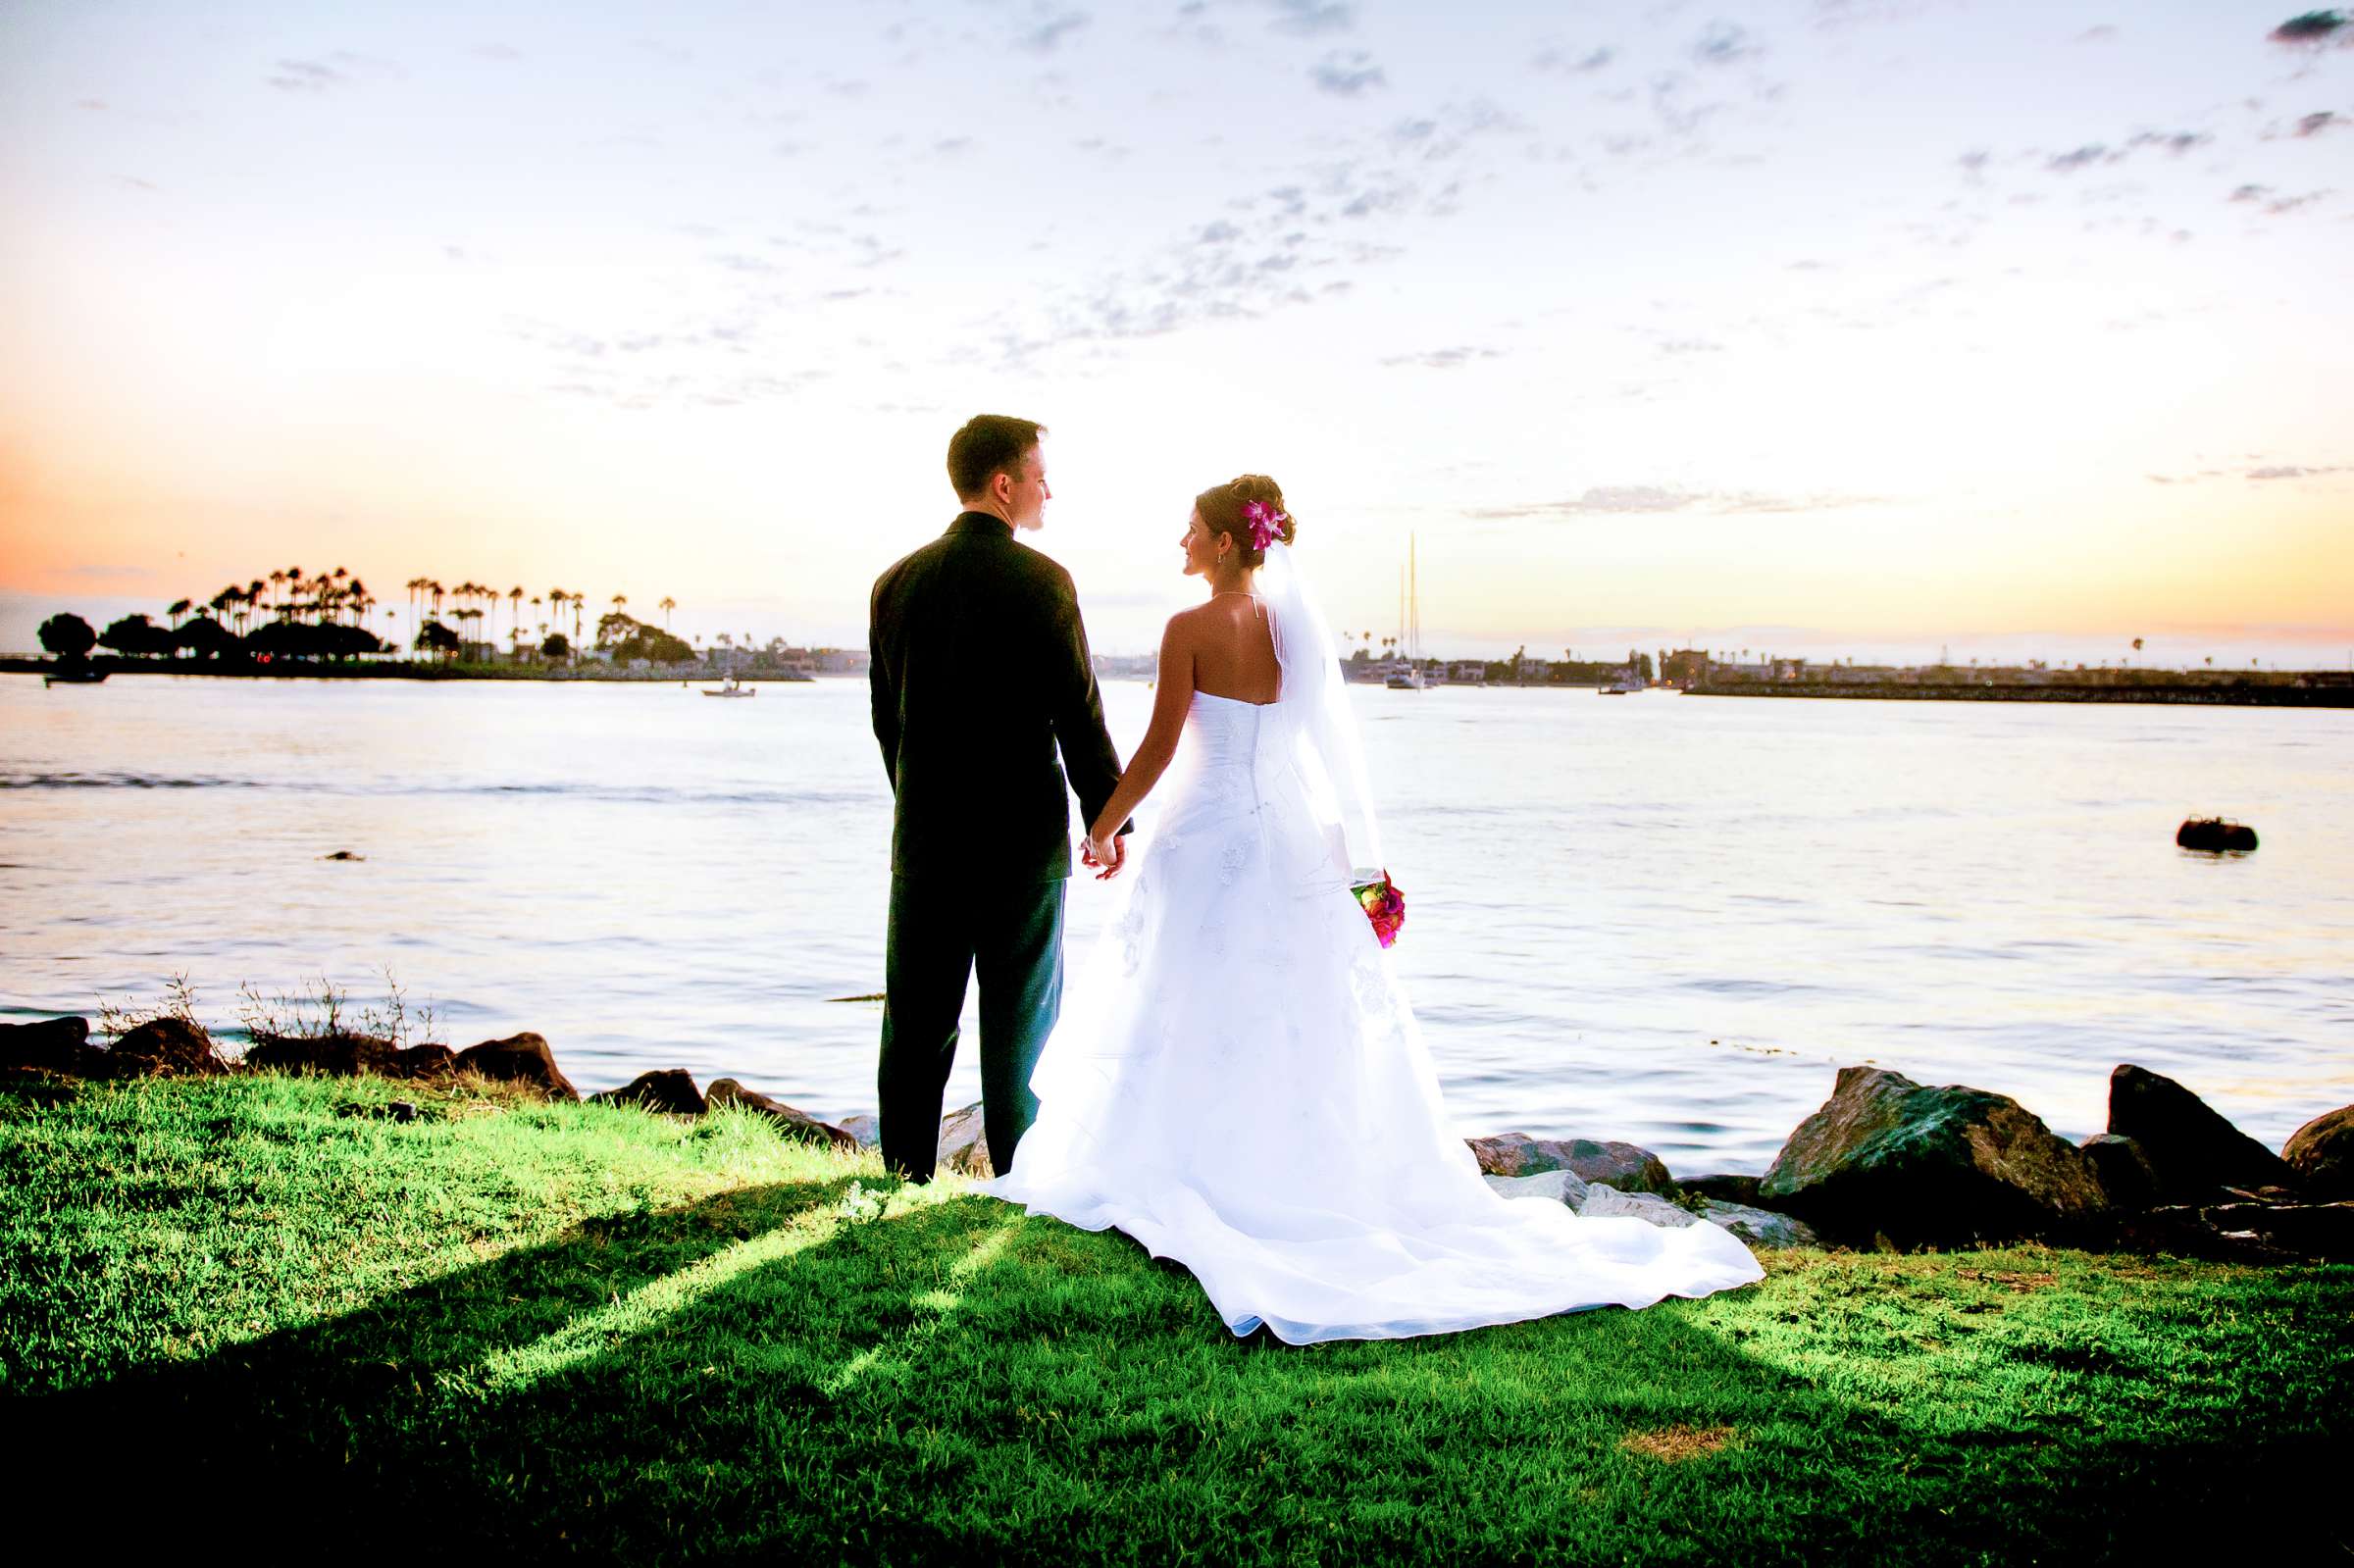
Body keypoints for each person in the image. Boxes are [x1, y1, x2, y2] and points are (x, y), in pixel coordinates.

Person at [986, 475, 1763, 1342]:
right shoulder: (1293, 634)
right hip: (1289, 833)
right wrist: (1363, 866)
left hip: (1208, 839)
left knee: (1200, 998)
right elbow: (1324, 753)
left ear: (1230, 543)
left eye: (1192, 530)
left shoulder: (1188, 629)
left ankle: (1202, 1168)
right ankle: (1304, 1169)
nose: (1182, 542)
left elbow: (1163, 745)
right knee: (1295, 1009)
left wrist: (1101, 827)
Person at [867, 415, 1128, 1183]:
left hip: (926, 839)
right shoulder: (1045, 583)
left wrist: (918, 799)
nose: (1050, 487)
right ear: (1004, 484)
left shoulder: (895, 583)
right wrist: (1106, 818)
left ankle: (904, 1175)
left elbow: (891, 724)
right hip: (1022, 845)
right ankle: (1022, 1179)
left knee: (915, 1024)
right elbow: (1080, 713)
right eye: (1041, 473)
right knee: (1021, 1028)